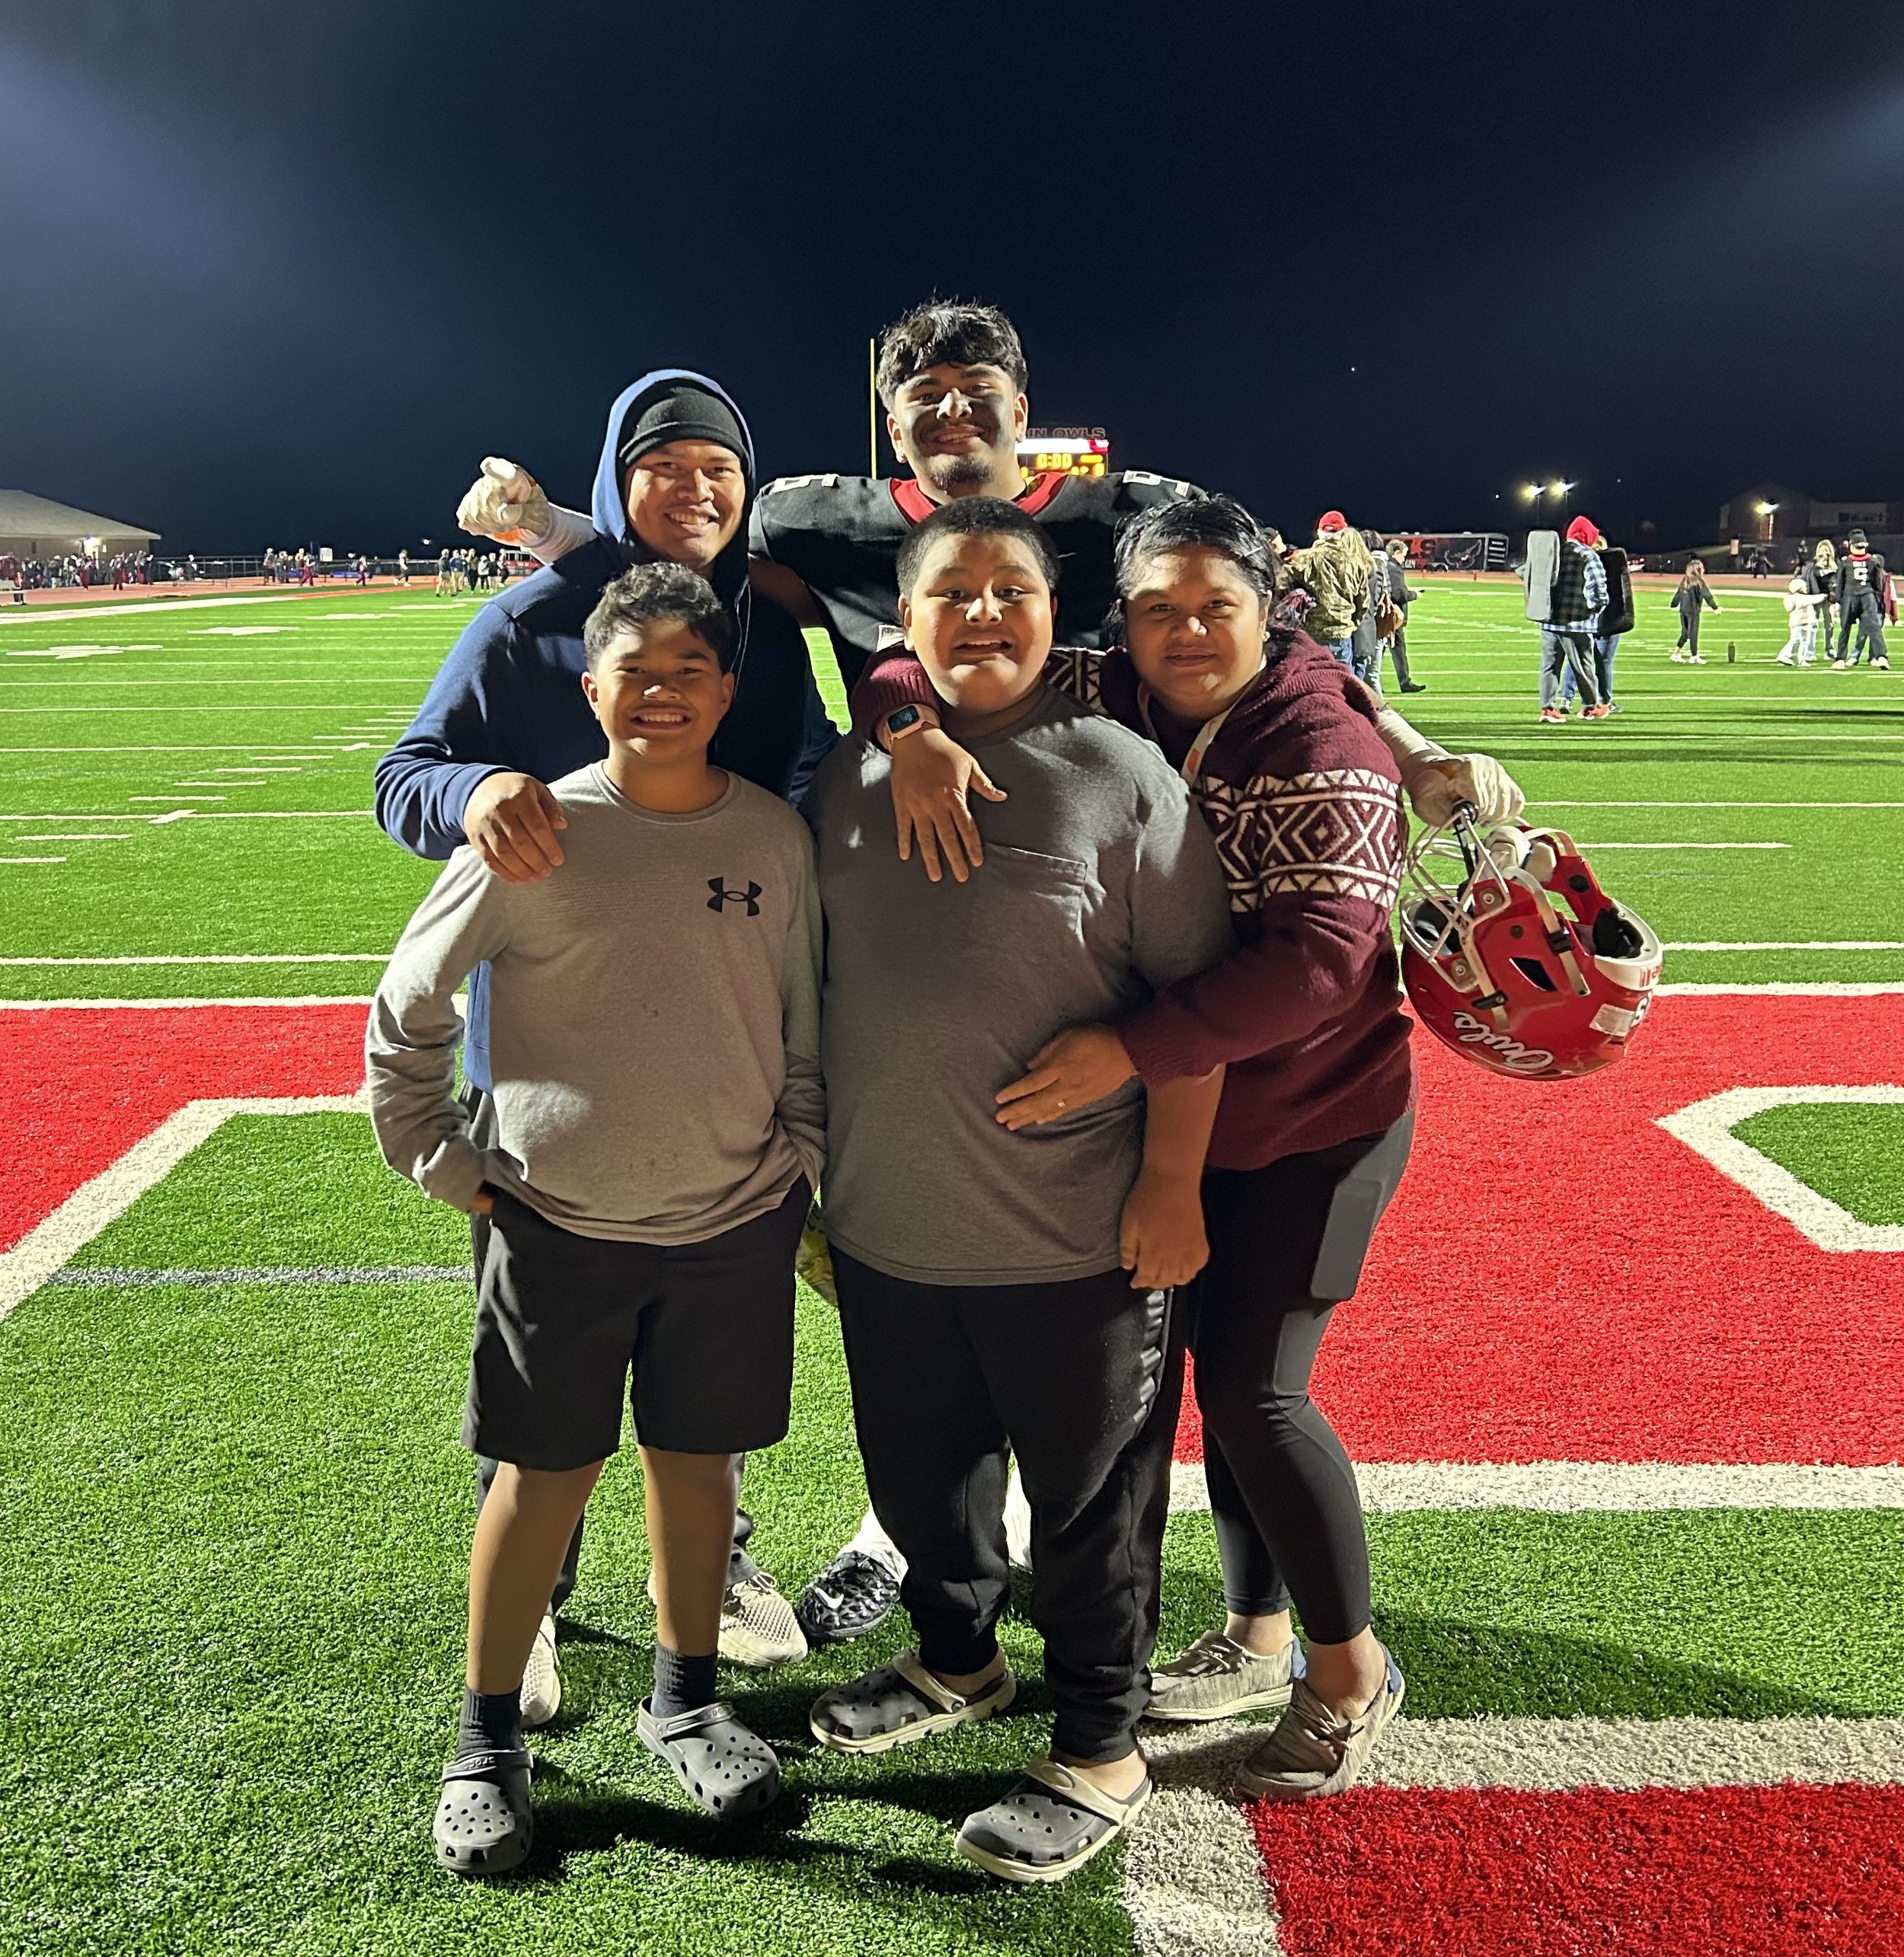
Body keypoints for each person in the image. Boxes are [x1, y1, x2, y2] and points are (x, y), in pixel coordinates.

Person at [468, 298, 1525, 1643]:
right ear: (893, 414)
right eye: (928, 399)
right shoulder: (820, 518)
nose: (955, 418)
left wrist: (1415, 743)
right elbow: (695, 560)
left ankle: (1210, 1617)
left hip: (1104, 883)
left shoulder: (1134, 511)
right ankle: (919, 1541)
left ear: (1024, 407)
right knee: (907, 1241)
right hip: (905, 880)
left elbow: (1269, 633)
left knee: (1131, 1285)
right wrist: (558, 530)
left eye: (980, 394)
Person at [852, 495, 1417, 1804]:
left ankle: (1347, 1669)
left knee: (1259, 1396)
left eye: (1213, 608)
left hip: (1306, 1121)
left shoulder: (1322, 735)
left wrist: (1128, 1051)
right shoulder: (1113, 680)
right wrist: (911, 730)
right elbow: (909, 650)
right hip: (1178, 1114)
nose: (1182, 634)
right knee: (1156, 1397)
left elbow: (1317, 971)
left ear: (1267, 611)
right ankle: (1256, 1623)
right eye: (1157, 609)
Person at [376, 372, 837, 1711]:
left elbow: (804, 781)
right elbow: (405, 772)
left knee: (704, 1388)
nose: (692, 491)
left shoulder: (760, 627)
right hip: (549, 1057)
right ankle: (536, 1607)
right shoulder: (528, 619)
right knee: (540, 1389)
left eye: (718, 470)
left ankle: (714, 1575)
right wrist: (479, 794)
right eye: (663, 466)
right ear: (615, 476)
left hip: (720, 1045)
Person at [803, 496, 1234, 1883]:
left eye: (1012, 590)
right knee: (920, 1484)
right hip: (889, 1226)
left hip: (1075, 1236)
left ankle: (1103, 1740)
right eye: (952, 592)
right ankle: (957, 1661)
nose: (982, 614)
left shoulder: (1119, 772)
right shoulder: (841, 781)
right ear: (905, 621)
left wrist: (1173, 1176)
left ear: (1058, 619)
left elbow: (1194, 1003)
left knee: (1090, 1508)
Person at [1531, 522, 1607, 720]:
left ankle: (1548, 708)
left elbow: (1529, 574)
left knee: (1549, 667)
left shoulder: (1553, 551)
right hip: (1577, 622)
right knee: (1583, 666)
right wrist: (1596, 609)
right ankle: (1590, 706)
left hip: (1548, 620)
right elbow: (1599, 590)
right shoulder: (1588, 555)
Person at [1559, 517, 1628, 714]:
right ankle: (1604, 701)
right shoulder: (1602, 562)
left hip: (1583, 620)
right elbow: (1614, 595)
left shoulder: (1576, 559)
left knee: (1577, 661)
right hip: (1606, 621)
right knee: (1604, 663)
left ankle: (1566, 699)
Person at [1286, 512, 1373, 669]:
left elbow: (1278, 583)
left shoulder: (1304, 558)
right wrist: (1351, 624)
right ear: (1342, 533)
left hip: (1312, 635)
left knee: (1314, 685)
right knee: (1343, 685)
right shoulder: (1356, 562)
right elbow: (1363, 602)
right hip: (1341, 635)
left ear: (1320, 533)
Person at [1832, 528, 1890, 670]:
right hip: (1867, 596)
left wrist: (1838, 601)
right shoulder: (1873, 561)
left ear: (1851, 546)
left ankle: (1840, 659)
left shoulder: (1845, 562)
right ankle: (1881, 656)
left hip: (1850, 597)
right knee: (1875, 629)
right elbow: (1878, 585)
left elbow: (1840, 584)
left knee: (1845, 629)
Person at [1379, 538, 1425, 693]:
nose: (1404, 559)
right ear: (1396, 553)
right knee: (1397, 649)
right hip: (1393, 616)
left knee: (1381, 650)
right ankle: (1405, 683)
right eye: (1403, 555)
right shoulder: (1394, 568)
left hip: (1385, 615)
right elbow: (1399, 594)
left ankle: (1371, 682)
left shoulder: (1386, 566)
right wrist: (1414, 595)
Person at [1669, 558, 1719, 664]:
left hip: (1683, 610)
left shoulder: (1685, 580)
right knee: (1693, 633)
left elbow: (1678, 594)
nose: (1704, 570)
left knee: (1685, 633)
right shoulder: (1699, 582)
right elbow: (1707, 595)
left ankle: (1676, 654)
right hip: (1693, 611)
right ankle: (1694, 656)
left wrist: (1674, 604)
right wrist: (1715, 607)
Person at [1778, 576, 1827, 666]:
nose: (1806, 588)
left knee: (1800, 641)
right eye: (1804, 586)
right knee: (1798, 641)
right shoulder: (1801, 598)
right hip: (1801, 623)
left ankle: (1801, 659)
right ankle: (1785, 655)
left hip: (1797, 623)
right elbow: (1815, 599)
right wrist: (1826, 595)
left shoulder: (1793, 598)